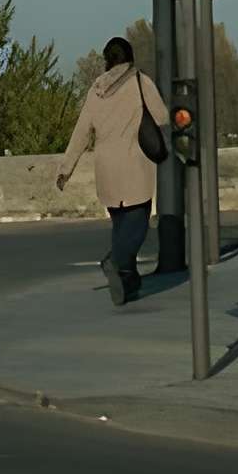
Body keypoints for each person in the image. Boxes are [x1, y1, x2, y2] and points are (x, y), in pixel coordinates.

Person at [55, 37, 169, 306]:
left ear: (107, 60)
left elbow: (82, 132)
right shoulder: (140, 82)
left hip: (106, 167)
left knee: (120, 225)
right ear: (130, 57)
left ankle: (128, 283)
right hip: (135, 164)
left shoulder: (96, 89)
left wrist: (65, 169)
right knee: (138, 224)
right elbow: (162, 117)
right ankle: (114, 262)